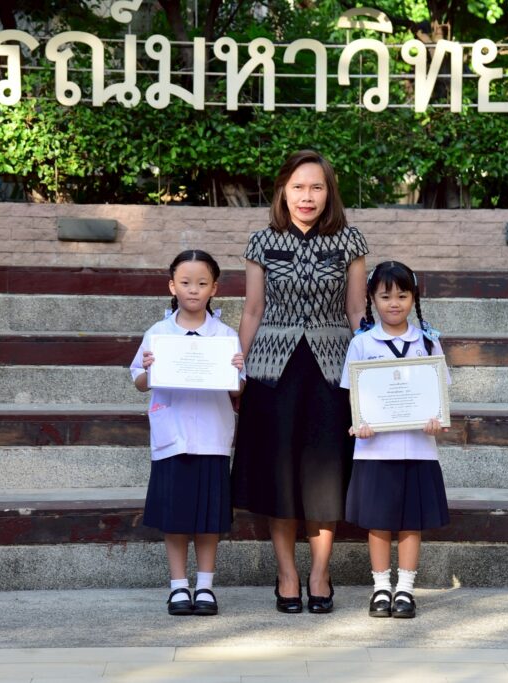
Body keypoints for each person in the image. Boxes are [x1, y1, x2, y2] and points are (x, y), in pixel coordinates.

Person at [231, 149, 368, 614]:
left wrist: (369, 371)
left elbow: (356, 311)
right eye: (298, 187)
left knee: (324, 478)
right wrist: (237, 372)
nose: (307, 197)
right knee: (281, 478)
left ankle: (320, 573)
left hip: (332, 371)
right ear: (283, 192)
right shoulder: (261, 241)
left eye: (316, 187)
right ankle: (287, 574)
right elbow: (253, 311)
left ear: (329, 193)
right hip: (272, 371)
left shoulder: (350, 241)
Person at [130, 249, 244, 617]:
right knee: (175, 517)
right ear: (172, 286)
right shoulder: (158, 334)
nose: (193, 290)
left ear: (214, 289)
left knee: (209, 518)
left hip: (212, 439)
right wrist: (150, 369)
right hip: (172, 439)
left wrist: (236, 370)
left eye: (202, 283)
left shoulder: (225, 336)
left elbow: (238, 388)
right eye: (185, 282)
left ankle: (205, 586)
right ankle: (178, 585)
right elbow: (139, 380)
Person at [341, 260, 451, 619]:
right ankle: (381, 588)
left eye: (402, 296)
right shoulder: (361, 343)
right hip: (375, 450)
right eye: (385, 296)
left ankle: (405, 589)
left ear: (413, 297)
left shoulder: (428, 342)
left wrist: (436, 420)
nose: (394, 303)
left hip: (418, 448)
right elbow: (354, 395)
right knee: (379, 521)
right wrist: (361, 422)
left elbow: (439, 394)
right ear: (371, 299)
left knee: (410, 521)